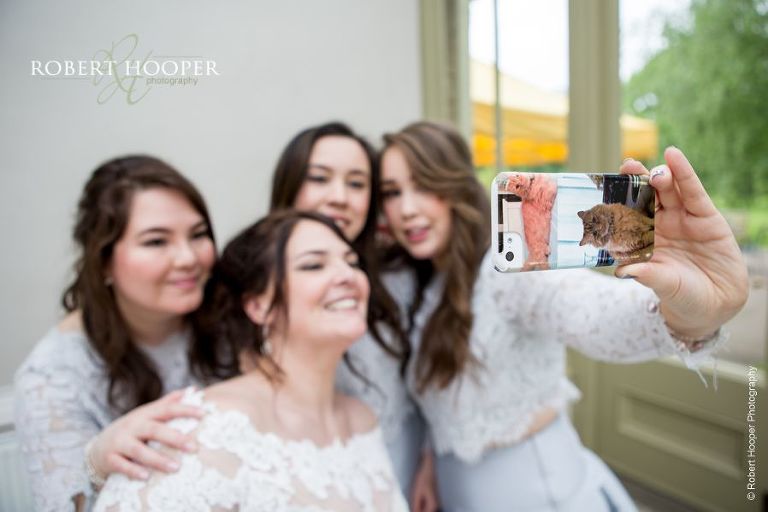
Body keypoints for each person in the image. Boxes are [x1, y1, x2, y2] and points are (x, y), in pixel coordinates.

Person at [377, 121, 749, 511]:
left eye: (424, 185)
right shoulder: (421, 284)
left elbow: (592, 311)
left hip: (538, 492)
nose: (406, 208)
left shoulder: (503, 273)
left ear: (456, 187)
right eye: (392, 192)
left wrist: (691, 313)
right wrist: (428, 462)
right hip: (455, 492)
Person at [93, 210, 409, 512]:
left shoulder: (362, 421)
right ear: (259, 307)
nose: (347, 275)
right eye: (313, 265)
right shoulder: (204, 430)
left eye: (352, 262)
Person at [14, 156, 229, 512]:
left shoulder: (228, 321)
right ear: (103, 262)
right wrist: (96, 464)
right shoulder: (52, 378)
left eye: (198, 234)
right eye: (157, 241)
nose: (188, 257)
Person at [269, 121, 426, 498]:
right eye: (319, 178)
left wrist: (430, 459)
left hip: (403, 468)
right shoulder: (254, 282)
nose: (339, 197)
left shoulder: (398, 274)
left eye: (356, 183)